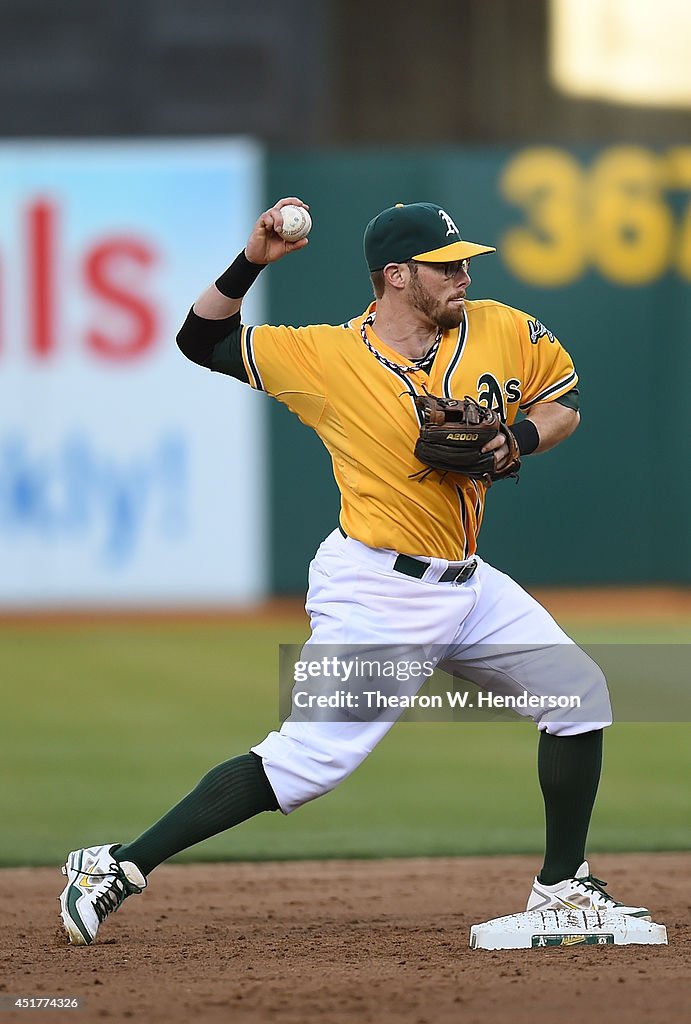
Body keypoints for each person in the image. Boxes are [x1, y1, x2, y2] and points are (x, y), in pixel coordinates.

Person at [59, 198, 650, 946]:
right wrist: (252, 263)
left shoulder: (500, 326)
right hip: (379, 590)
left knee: (576, 693)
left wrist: (516, 440)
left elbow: (562, 406)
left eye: (465, 261)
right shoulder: (323, 358)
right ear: (397, 276)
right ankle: (113, 865)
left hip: (467, 583)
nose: (464, 274)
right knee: (303, 765)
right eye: (447, 265)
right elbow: (198, 340)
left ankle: (561, 888)